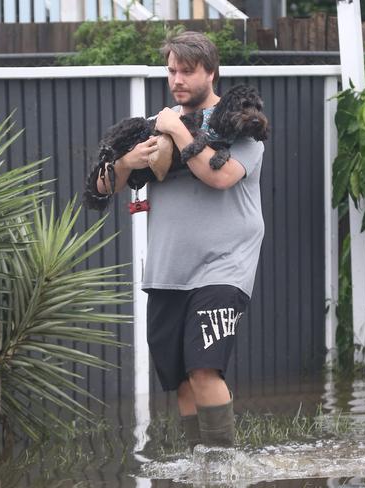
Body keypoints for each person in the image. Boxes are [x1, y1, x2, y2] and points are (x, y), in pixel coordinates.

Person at [96, 31, 265, 449]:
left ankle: (224, 467)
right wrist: (124, 162)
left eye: (187, 71)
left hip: (224, 267)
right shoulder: (154, 129)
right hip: (168, 271)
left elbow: (219, 176)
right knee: (182, 380)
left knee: (205, 369)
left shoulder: (240, 125)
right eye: (172, 71)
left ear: (211, 72)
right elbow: (101, 189)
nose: (177, 80)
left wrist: (176, 128)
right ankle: (200, 463)